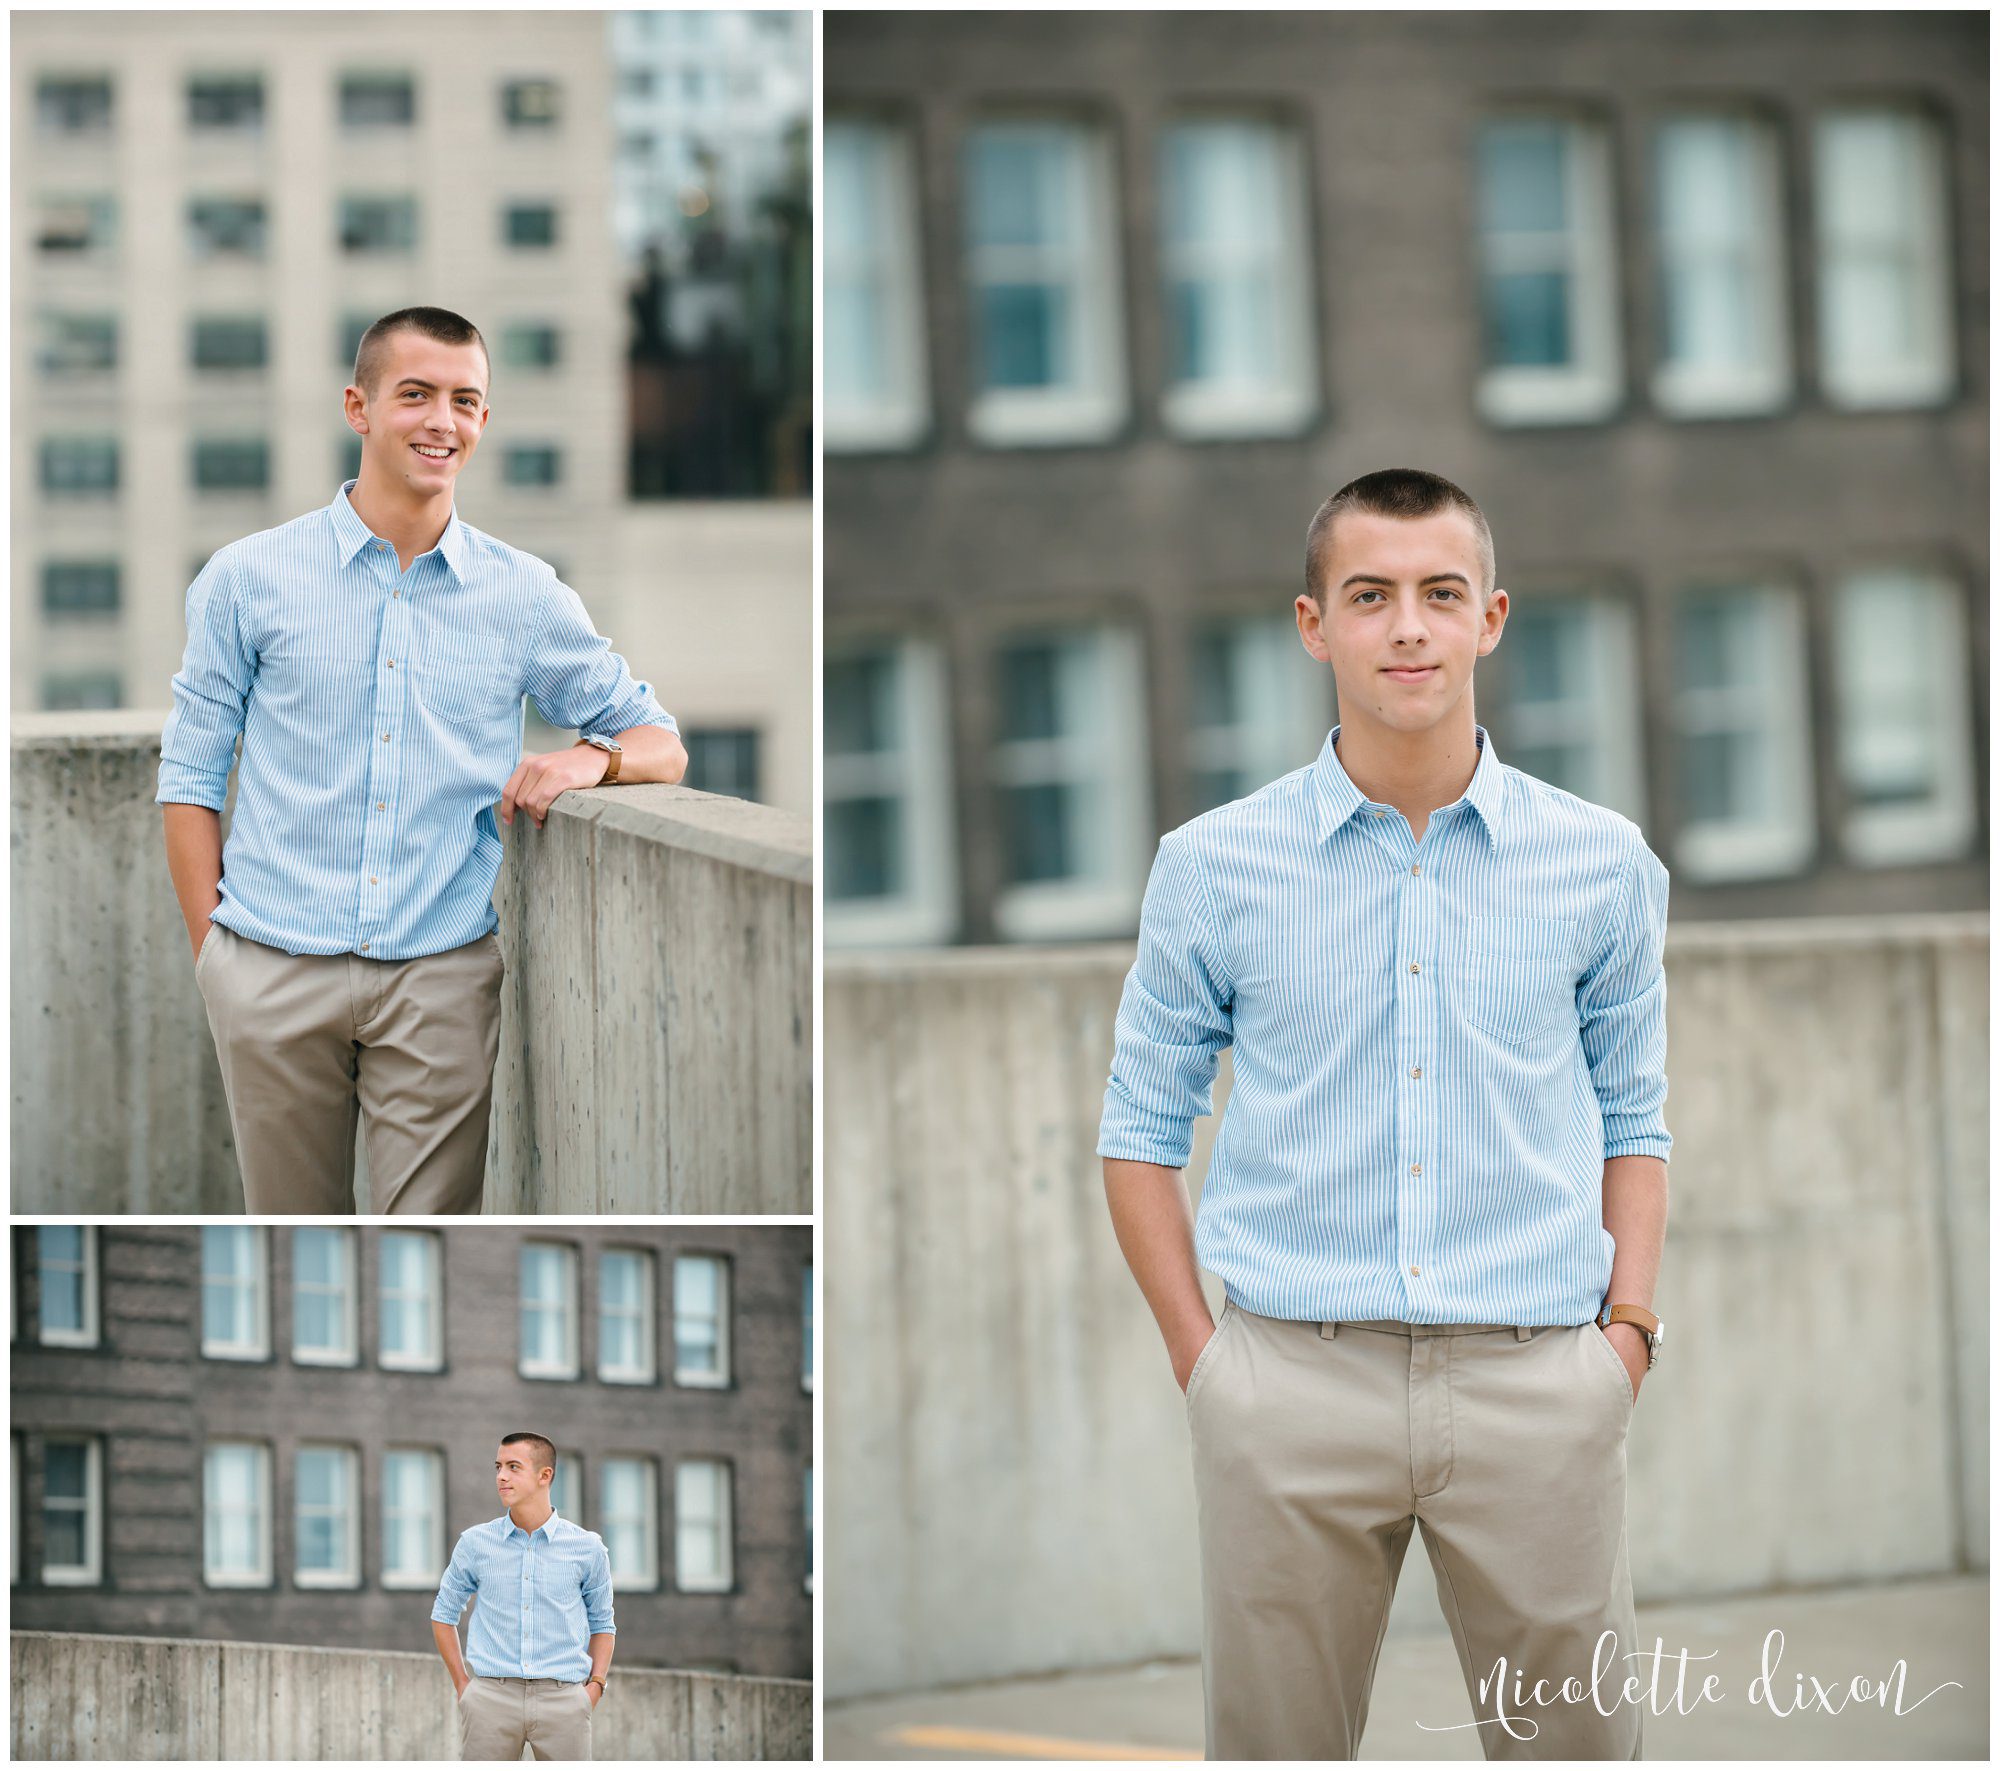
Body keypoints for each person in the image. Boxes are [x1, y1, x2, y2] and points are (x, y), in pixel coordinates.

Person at [1099, 468, 1670, 1760]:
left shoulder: (1602, 864)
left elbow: (1635, 1118)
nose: (1407, 626)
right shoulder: (1210, 867)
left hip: (1538, 1377)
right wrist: (1210, 1369)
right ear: (1314, 625)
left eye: (1439, 593)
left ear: (1490, 618)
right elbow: (1138, 1130)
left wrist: (1623, 1341)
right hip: (1289, 1383)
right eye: (1369, 595)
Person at [157, 306, 687, 1213]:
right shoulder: (247, 579)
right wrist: (220, 963)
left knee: (431, 1257)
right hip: (270, 967)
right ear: (358, 407)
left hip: (438, 978)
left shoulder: (524, 595)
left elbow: (659, 741)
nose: (443, 421)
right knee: (293, 1245)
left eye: (465, 401)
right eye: (416, 394)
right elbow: (190, 776)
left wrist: (589, 761)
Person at [431, 1432, 616, 1762]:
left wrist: (595, 1688)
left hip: (563, 1701)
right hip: (491, 1699)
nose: (501, 1476)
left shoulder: (587, 1548)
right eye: (498, 1466)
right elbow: (443, 1614)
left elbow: (603, 1623)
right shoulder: (475, 1544)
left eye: (513, 1467)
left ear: (545, 1475)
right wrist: (463, 1686)